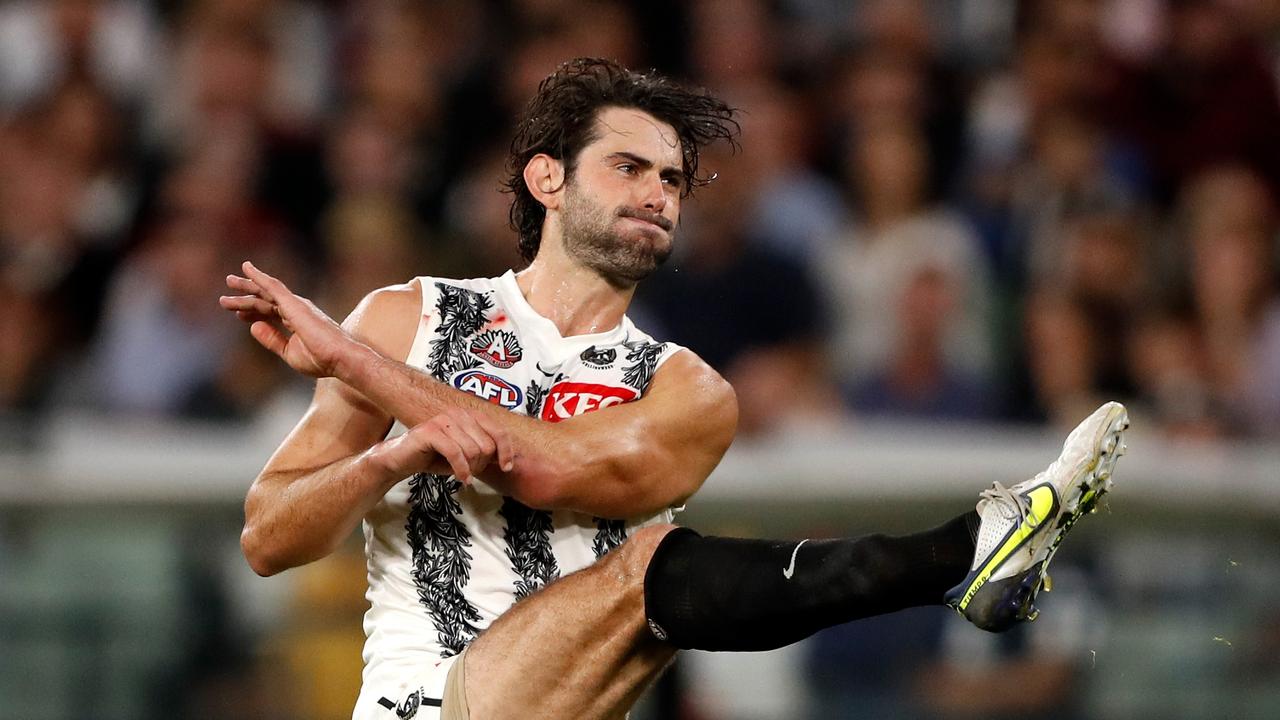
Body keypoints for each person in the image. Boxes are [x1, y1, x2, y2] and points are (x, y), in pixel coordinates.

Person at [219, 58, 1130, 720]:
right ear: (547, 178)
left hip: (570, 701)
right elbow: (269, 536)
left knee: (647, 570)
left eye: (673, 180)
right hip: (430, 704)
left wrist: (354, 363)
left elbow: (539, 468)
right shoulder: (404, 316)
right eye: (629, 167)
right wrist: (391, 455)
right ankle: (962, 552)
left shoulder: (687, 392)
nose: (659, 192)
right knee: (647, 567)